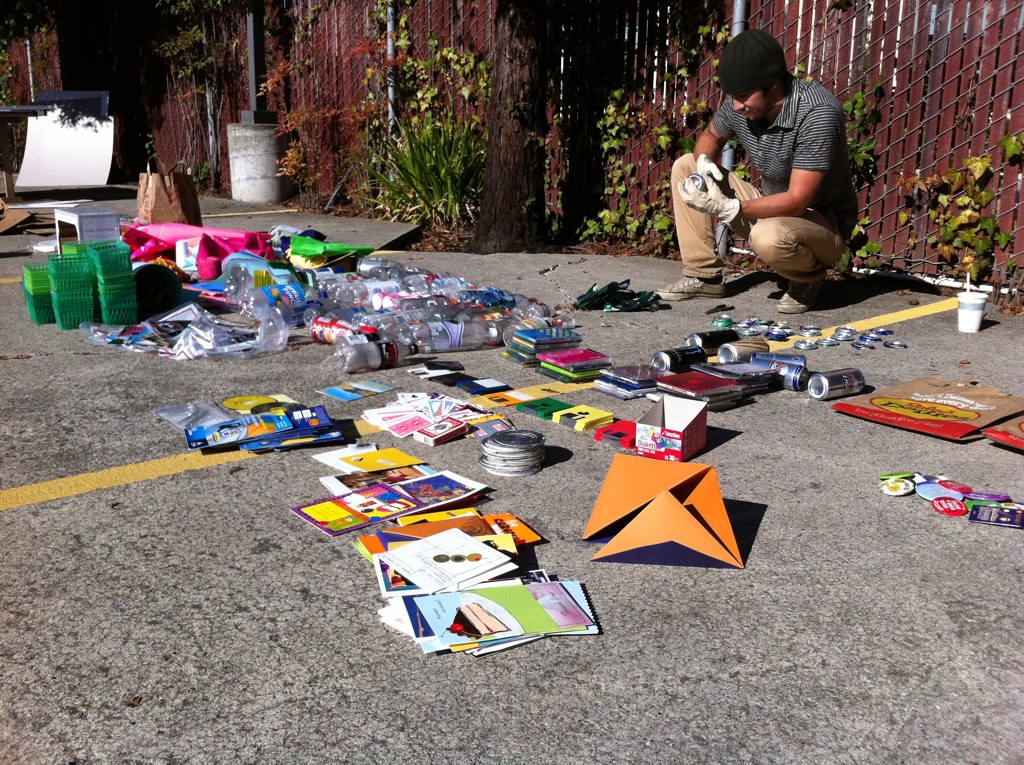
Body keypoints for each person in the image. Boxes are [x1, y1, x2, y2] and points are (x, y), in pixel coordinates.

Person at [658, 28, 859, 314]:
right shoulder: (740, 103)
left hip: (823, 226)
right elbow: (711, 139)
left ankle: (808, 278)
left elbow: (798, 200)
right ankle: (704, 276)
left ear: (772, 85)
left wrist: (729, 208)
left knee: (768, 235)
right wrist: (703, 164)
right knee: (686, 165)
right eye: (733, 97)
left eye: (743, 97)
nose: (736, 106)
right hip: (777, 210)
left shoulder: (817, 113)